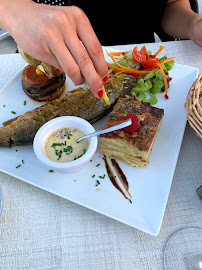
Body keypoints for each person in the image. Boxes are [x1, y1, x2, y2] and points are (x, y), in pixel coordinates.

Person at [0, 0, 201, 98]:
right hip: (47, 61)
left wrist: (193, 25)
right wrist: (12, 12)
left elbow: (170, 5)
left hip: (132, 61)